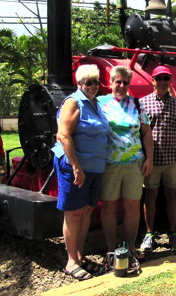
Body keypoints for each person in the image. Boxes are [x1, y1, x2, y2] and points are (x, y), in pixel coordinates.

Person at [52, 64, 110, 281]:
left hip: (95, 167)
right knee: (74, 212)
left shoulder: (96, 104)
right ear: (79, 83)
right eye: (88, 82)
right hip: (76, 167)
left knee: (86, 211)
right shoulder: (73, 102)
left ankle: (79, 255)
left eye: (95, 82)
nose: (93, 86)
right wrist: (76, 167)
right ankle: (71, 262)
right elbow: (64, 136)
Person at [97, 66, 154, 272]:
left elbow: (146, 133)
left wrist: (150, 159)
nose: (121, 86)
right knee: (109, 207)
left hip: (134, 163)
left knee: (132, 206)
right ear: (110, 82)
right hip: (109, 164)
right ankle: (111, 250)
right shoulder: (100, 103)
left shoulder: (136, 104)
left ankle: (130, 247)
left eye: (125, 82)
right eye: (117, 81)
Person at [140, 65, 176, 252]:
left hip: (172, 159)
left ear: (170, 82)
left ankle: (173, 232)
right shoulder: (143, 103)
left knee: (171, 196)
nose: (162, 82)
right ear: (152, 81)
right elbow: (141, 132)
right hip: (152, 160)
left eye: (165, 79)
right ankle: (149, 233)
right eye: (158, 78)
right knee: (150, 196)